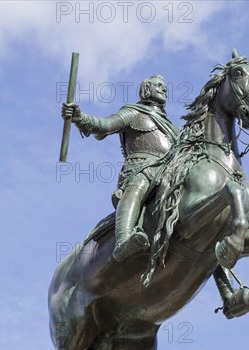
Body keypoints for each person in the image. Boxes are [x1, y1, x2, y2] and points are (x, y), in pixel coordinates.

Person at [62, 75, 180, 262]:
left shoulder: (174, 128)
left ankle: (226, 288)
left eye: (165, 87)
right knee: (138, 186)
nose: (164, 89)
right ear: (146, 89)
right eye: (158, 86)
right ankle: (123, 241)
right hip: (142, 166)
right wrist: (79, 117)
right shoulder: (133, 112)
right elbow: (104, 125)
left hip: (170, 173)